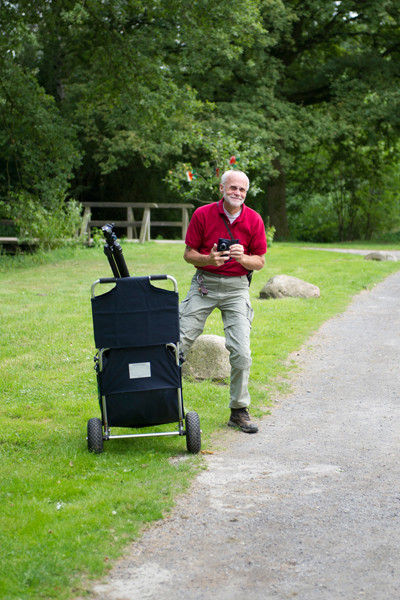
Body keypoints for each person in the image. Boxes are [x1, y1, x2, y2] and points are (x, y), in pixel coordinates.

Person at [179, 169, 267, 433]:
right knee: (176, 342)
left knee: (241, 352)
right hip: (204, 283)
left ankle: (238, 410)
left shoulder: (254, 219)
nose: (237, 193)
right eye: (232, 188)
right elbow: (188, 254)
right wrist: (208, 259)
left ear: (246, 193)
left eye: (241, 189)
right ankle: (166, 404)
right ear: (221, 188)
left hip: (237, 289)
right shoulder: (203, 214)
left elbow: (260, 262)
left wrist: (242, 258)